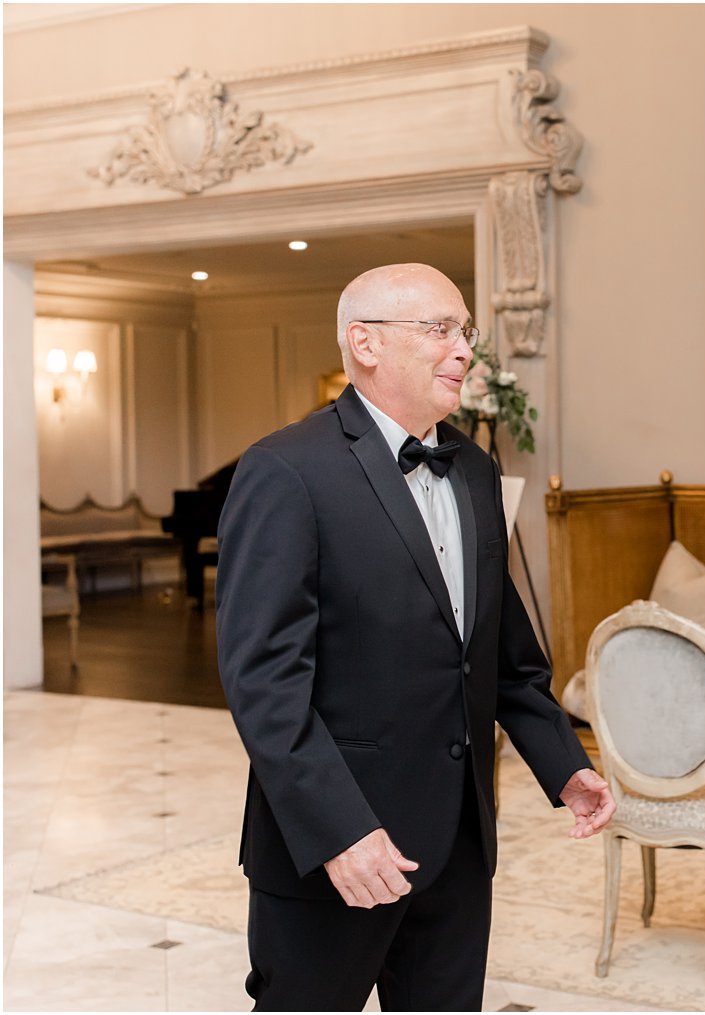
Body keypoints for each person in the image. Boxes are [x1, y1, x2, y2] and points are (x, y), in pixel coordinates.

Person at [216, 263, 614, 1011]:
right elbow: (264, 684)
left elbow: (502, 655)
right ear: (363, 343)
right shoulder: (285, 471)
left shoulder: (473, 469)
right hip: (333, 849)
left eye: (465, 331)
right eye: (440, 329)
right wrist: (340, 830)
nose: (464, 349)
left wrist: (563, 764)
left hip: (458, 847)